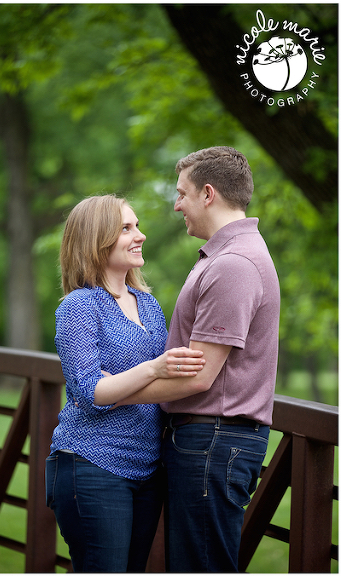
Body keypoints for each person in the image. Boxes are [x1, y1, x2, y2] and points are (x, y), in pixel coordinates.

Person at [115, 146, 280, 571]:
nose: (177, 205)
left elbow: (198, 377)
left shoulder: (234, 264)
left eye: (182, 194)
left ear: (208, 194)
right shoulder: (226, 256)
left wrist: (109, 394)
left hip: (213, 441)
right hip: (209, 441)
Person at [45, 194, 206, 572]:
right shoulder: (79, 306)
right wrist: (152, 369)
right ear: (96, 239)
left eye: (137, 226)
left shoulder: (148, 304)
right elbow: (90, 393)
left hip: (147, 470)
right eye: (126, 228)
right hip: (92, 466)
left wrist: (117, 384)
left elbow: (110, 390)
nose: (140, 235)